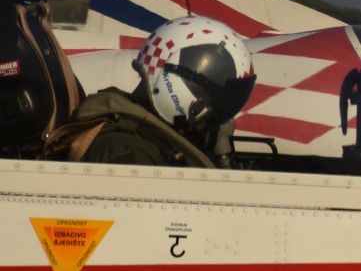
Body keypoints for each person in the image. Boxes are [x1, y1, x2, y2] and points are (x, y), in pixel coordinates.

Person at [48, 17, 256, 168]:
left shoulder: (154, 143)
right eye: (216, 102)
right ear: (177, 79)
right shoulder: (125, 152)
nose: (221, 120)